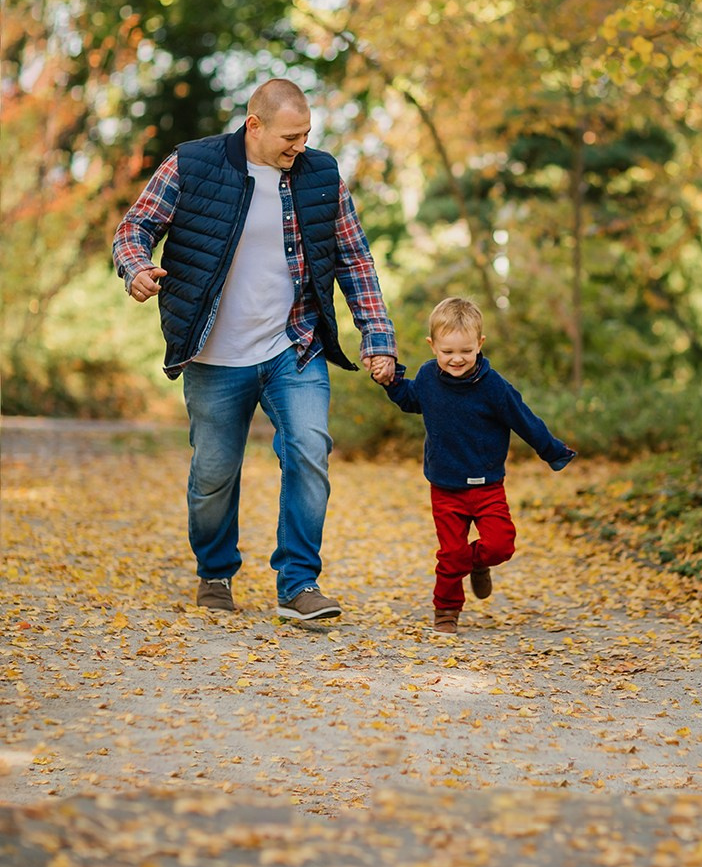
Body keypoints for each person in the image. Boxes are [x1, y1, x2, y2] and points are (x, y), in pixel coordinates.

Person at [113, 77, 397, 620]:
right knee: (214, 472)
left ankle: (298, 584)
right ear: (255, 125)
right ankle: (215, 572)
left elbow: (355, 260)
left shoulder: (322, 175)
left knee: (309, 450)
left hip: (295, 343)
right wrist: (137, 269)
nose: (300, 147)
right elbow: (135, 227)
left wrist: (377, 339)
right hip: (214, 351)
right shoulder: (193, 164)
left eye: (307, 135)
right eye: (290, 136)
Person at [371, 297, 575, 634]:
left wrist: (552, 451)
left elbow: (525, 421)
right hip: (445, 487)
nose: (457, 359)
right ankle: (446, 610)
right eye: (447, 351)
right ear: (432, 345)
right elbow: (410, 400)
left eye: (465, 350)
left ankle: (477, 565)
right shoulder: (427, 377)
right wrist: (391, 382)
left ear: (479, 344)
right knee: (450, 552)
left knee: (500, 545)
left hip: (488, 486)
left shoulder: (494, 388)